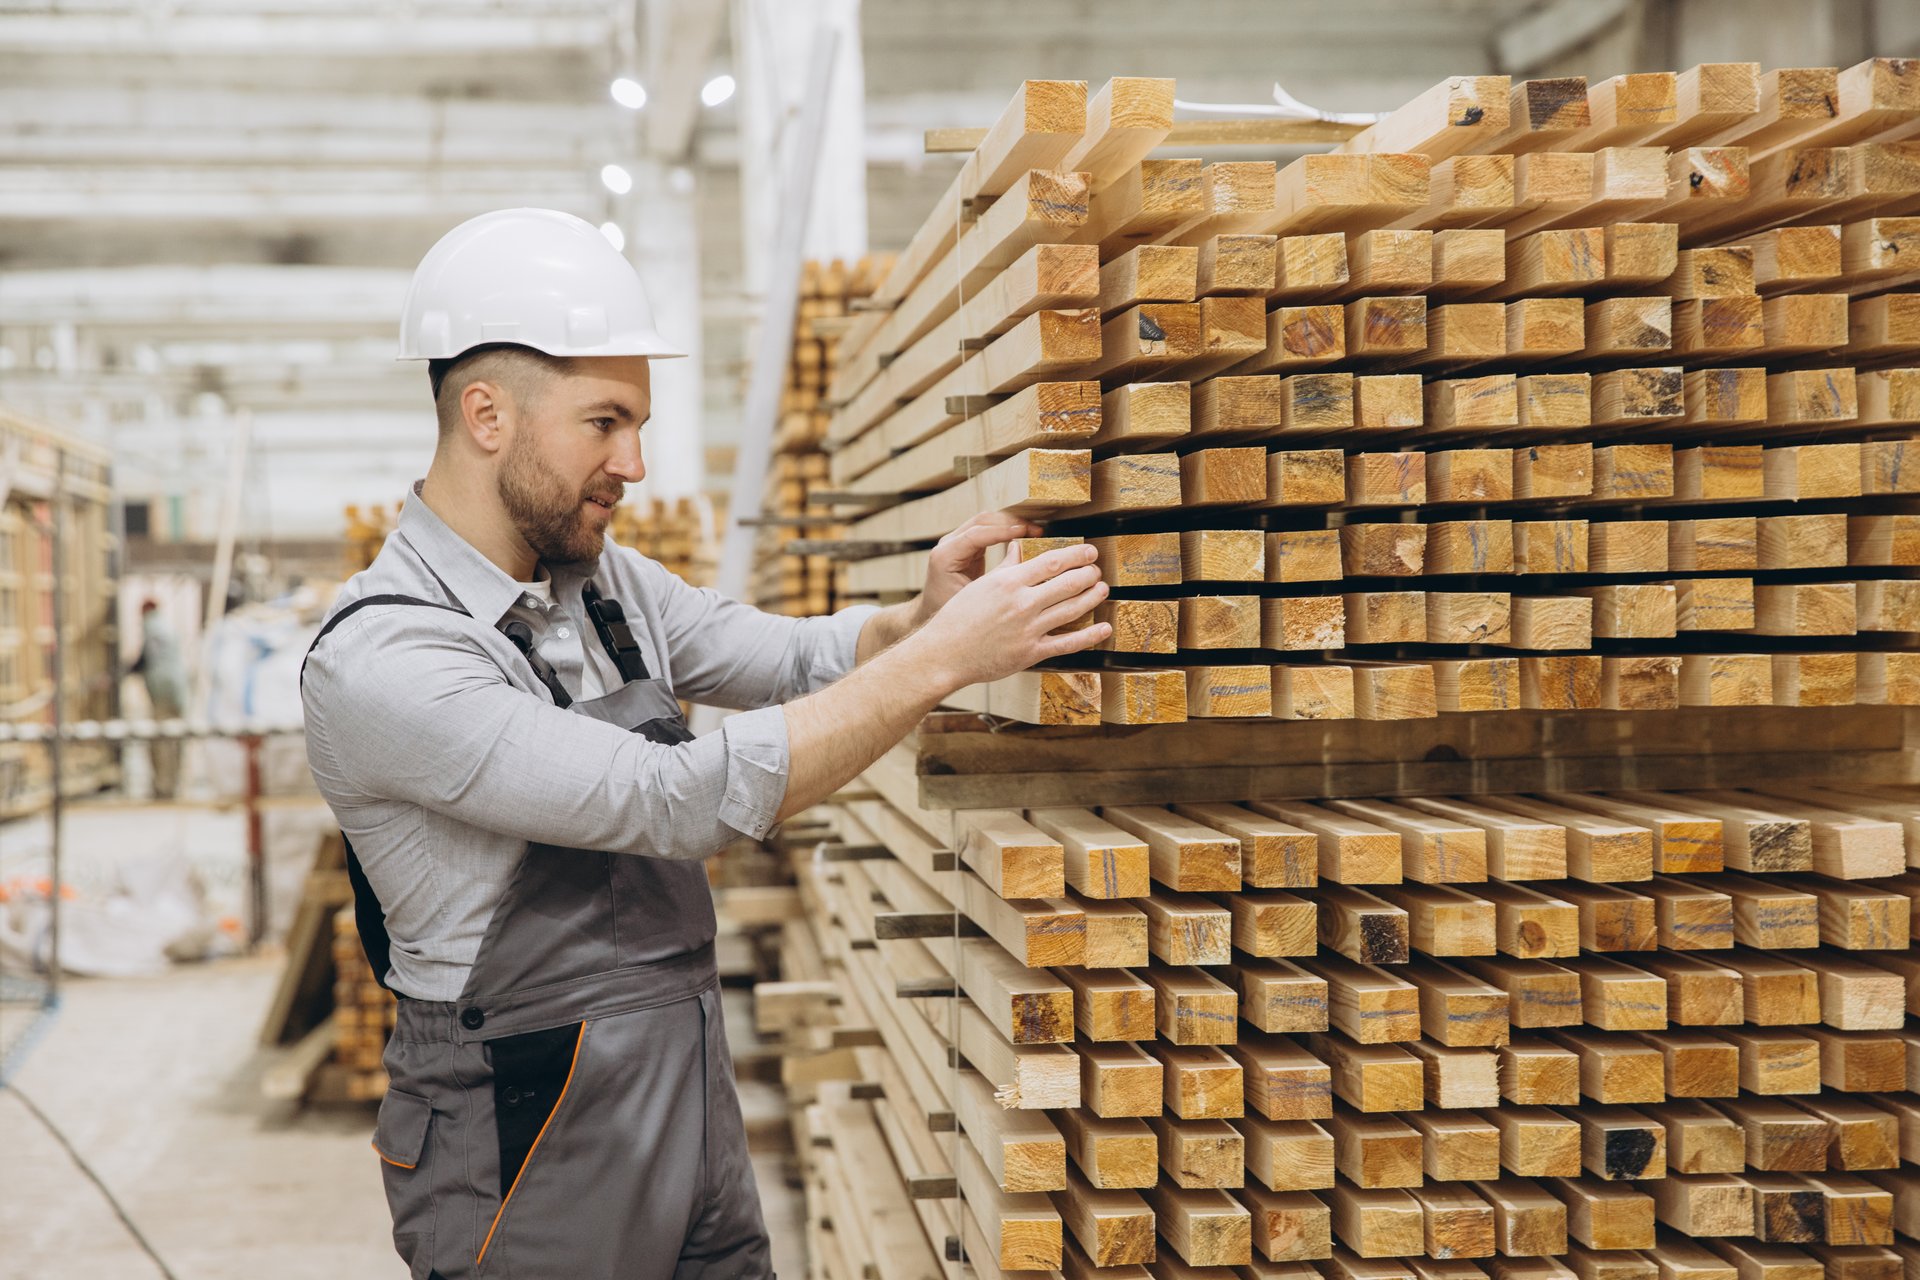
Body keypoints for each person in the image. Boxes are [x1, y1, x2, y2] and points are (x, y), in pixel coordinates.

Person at [300, 208, 1110, 1280]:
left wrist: (915, 621)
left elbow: (779, 652)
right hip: (523, 1128)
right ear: (486, 414)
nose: (634, 461)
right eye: (605, 421)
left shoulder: (603, 583)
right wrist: (943, 663)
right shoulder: (387, 655)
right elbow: (672, 801)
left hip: (682, 1078)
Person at [129, 598, 186, 799]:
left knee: (161, 742)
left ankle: (163, 787)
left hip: (162, 692)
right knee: (174, 740)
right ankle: (173, 784)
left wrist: (124, 671)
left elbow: (146, 660)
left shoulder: (151, 628)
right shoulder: (167, 627)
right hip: (178, 691)